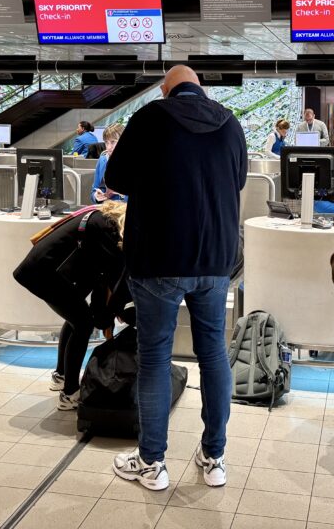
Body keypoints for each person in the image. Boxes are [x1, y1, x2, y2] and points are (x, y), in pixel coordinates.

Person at [105, 65, 247, 492]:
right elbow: (237, 180)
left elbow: (115, 178)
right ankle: (214, 457)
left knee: (155, 357)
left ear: (167, 90)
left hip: (159, 258)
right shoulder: (230, 122)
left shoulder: (150, 117)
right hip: (215, 260)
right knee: (213, 355)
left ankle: (152, 464)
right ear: (199, 88)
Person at [12, 202, 129, 411]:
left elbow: (103, 281)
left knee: (76, 318)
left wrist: (109, 313)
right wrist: (110, 314)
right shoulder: (107, 231)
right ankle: (70, 393)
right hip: (43, 273)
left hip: (42, 270)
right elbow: (112, 278)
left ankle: (61, 376)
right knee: (83, 323)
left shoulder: (101, 219)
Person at [92, 123, 126, 203]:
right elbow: (94, 190)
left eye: (113, 142)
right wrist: (96, 196)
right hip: (107, 208)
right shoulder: (103, 160)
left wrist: (121, 194)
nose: (108, 147)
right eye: (106, 142)